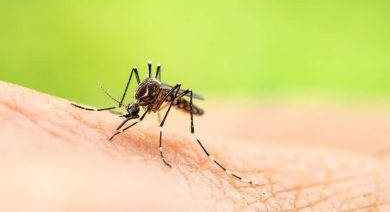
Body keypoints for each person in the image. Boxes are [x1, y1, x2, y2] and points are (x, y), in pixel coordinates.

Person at [0, 81, 389, 211]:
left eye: (132, 108)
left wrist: (162, 144)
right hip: (159, 97)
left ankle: (173, 147)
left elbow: (162, 93)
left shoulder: (157, 100)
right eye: (132, 108)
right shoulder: (141, 98)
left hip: (179, 100)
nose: (133, 112)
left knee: (162, 85)